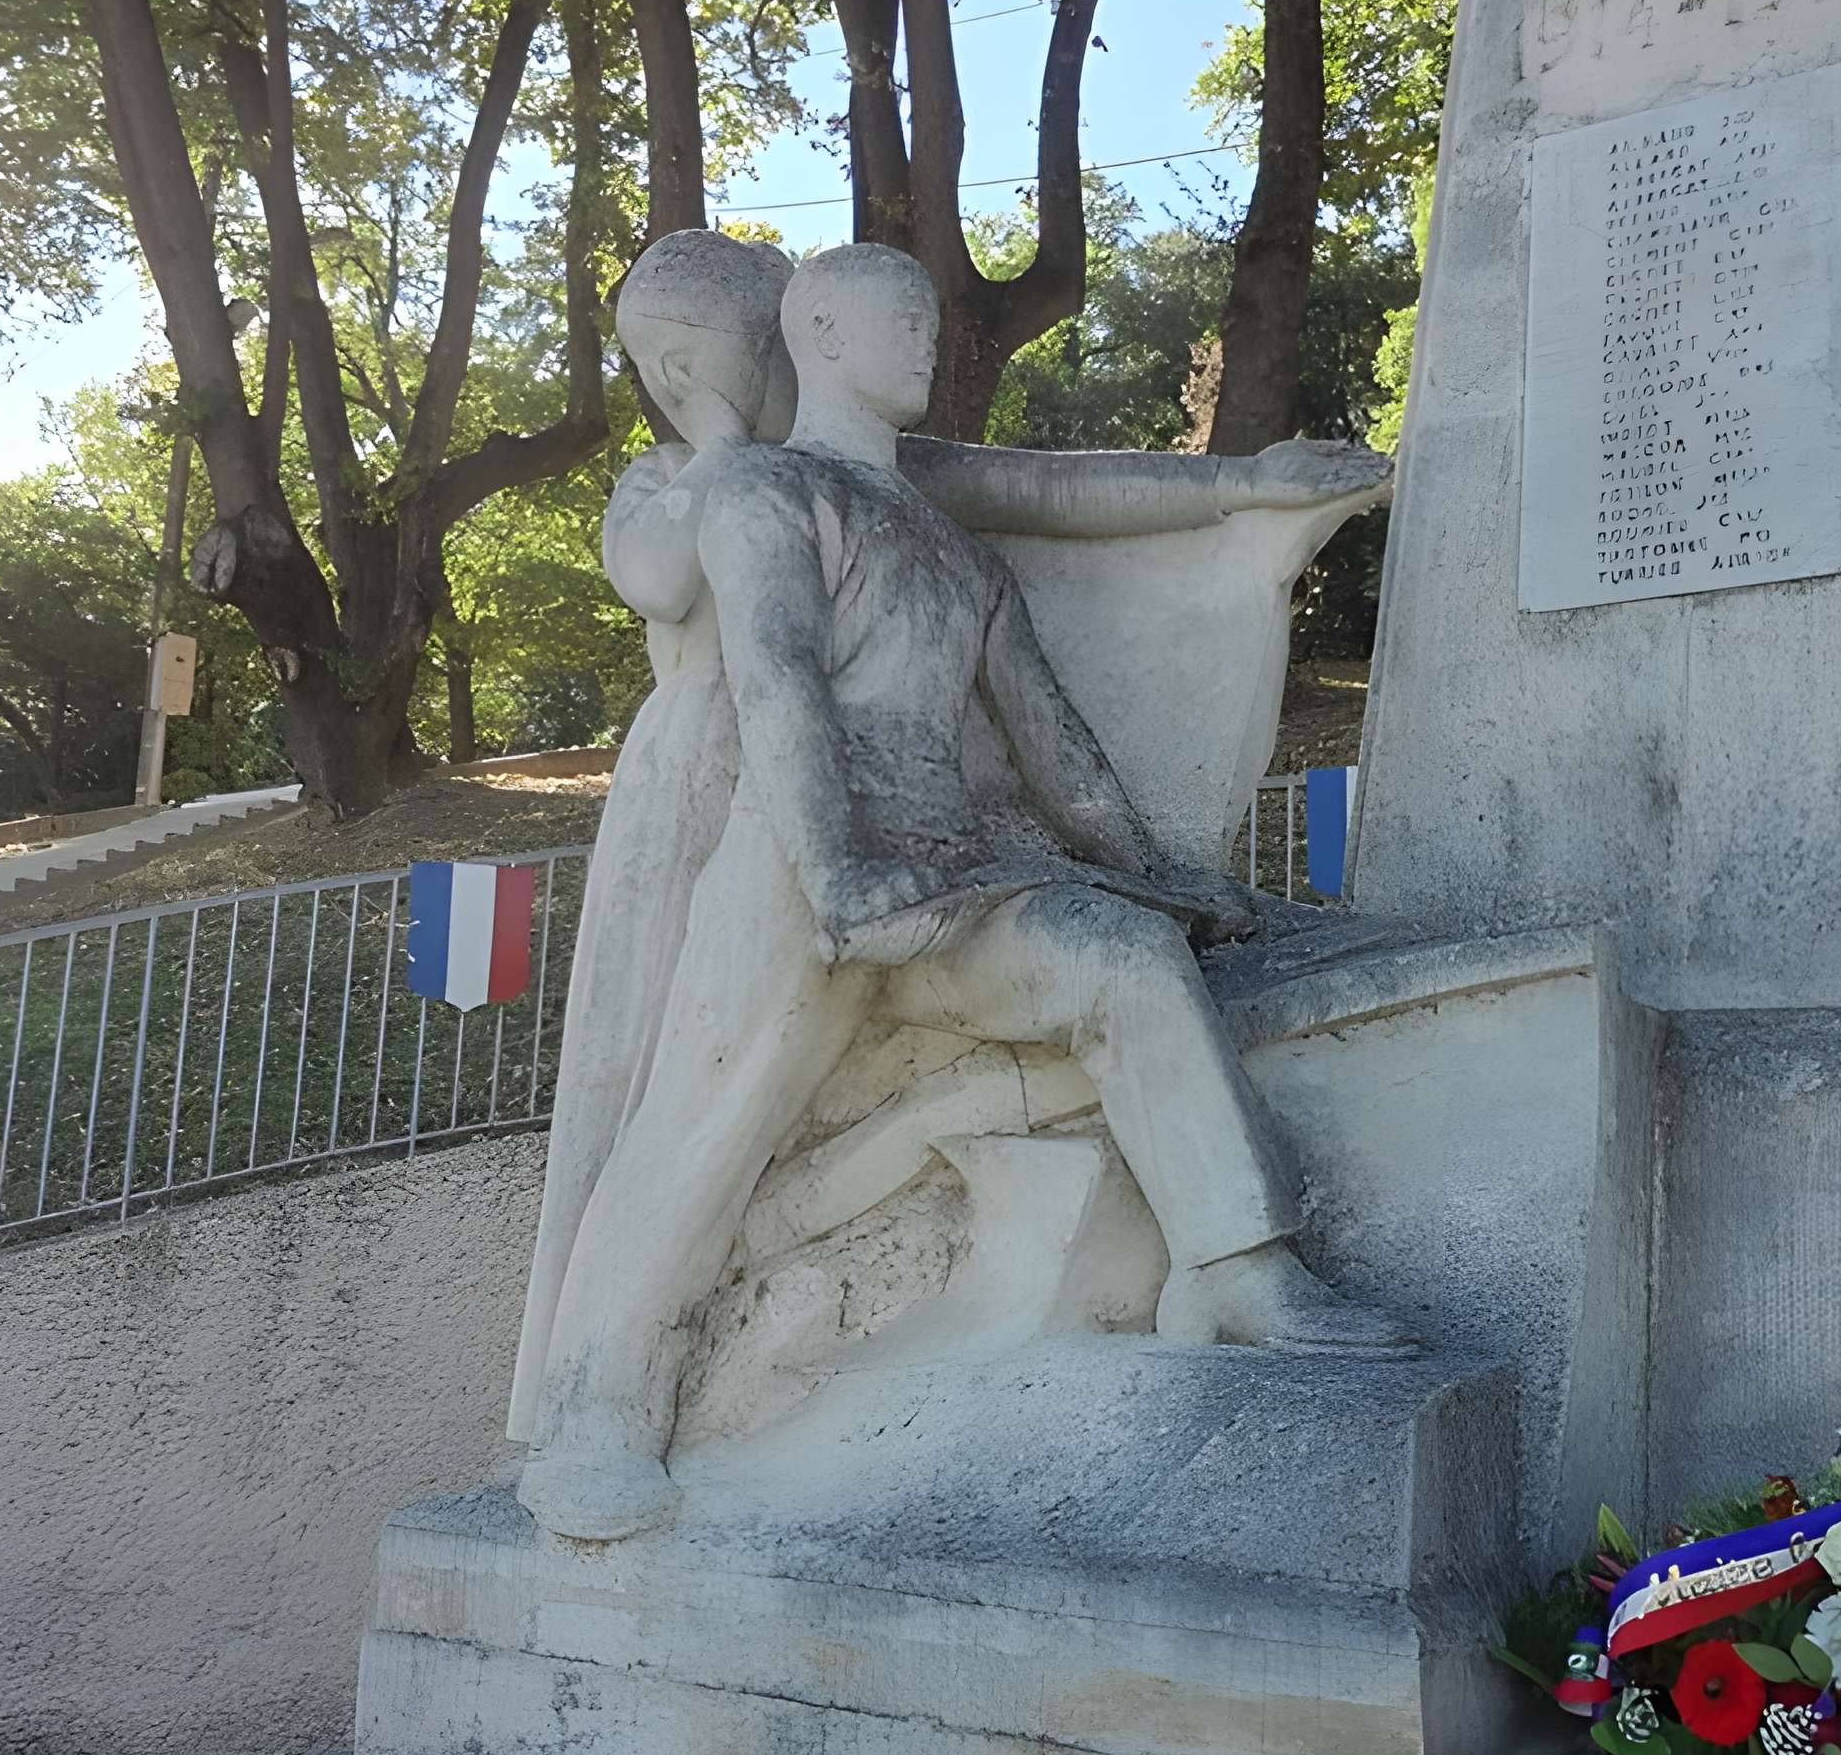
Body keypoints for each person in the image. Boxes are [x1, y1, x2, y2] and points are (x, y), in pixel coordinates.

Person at [517, 243, 1409, 1544]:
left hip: (960, 862)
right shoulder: (760, 491)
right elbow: (779, 688)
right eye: (904, 317)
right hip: (798, 861)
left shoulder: (948, 541)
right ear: (819, 326)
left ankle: (1235, 1265)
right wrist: (834, 876)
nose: (931, 344)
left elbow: (1055, 742)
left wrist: (1156, 877)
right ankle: (601, 1412)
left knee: (1122, 957)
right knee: (704, 1118)